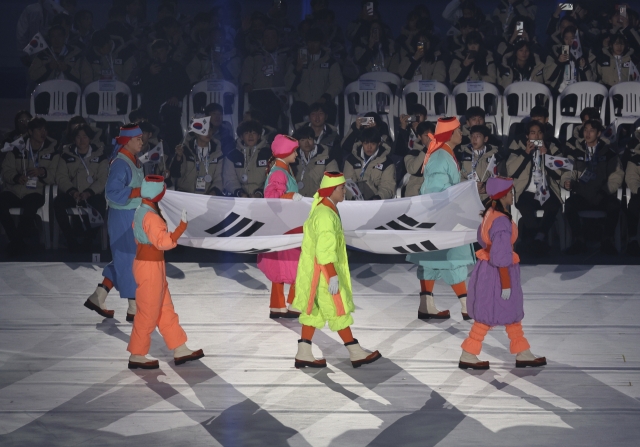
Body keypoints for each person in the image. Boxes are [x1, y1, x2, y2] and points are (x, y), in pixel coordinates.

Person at [291, 171, 381, 368]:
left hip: (318, 272)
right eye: (341, 188)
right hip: (323, 273)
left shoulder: (325, 209)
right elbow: (324, 250)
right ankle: (354, 351)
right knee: (338, 310)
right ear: (332, 190)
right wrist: (332, 275)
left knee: (314, 311)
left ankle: (303, 352)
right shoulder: (325, 214)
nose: (345, 191)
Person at [460, 176, 546, 370]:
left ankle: (523, 352)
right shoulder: (501, 222)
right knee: (488, 315)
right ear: (504, 195)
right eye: (510, 192)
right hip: (497, 275)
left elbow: (484, 242)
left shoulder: (489, 214)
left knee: (510, 315)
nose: (512, 195)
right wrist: (506, 283)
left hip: (489, 271)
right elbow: (500, 256)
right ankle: (468, 353)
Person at [127, 175, 204, 369]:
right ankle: (137, 353)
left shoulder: (143, 210)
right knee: (148, 311)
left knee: (164, 308)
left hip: (151, 265)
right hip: (150, 267)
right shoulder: (151, 216)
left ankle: (180, 347)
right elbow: (164, 242)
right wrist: (181, 228)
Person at [406, 117, 475, 320]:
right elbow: (436, 189)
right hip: (442, 215)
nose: (461, 133)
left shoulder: (443, 154)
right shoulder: (440, 156)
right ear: (449, 133)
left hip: (439, 213)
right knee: (452, 259)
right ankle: (466, 306)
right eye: (458, 130)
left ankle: (426, 306)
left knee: (430, 260)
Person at [84, 124, 143, 321]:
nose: (142, 142)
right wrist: (138, 192)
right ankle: (134, 307)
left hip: (130, 215)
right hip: (122, 216)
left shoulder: (131, 161)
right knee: (128, 259)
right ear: (128, 141)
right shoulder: (121, 164)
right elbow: (112, 192)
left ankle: (98, 297)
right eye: (138, 139)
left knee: (125, 258)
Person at [257, 135, 304, 318]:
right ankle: (293, 304)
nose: (297, 154)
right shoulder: (279, 172)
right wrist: (289, 197)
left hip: (285, 224)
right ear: (285, 152)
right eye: (294, 150)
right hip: (286, 226)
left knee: (284, 265)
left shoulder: (282, 169)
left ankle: (279, 305)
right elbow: (271, 197)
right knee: (297, 264)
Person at [562, 120, 624, 255]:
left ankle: (607, 241)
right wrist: (568, 182)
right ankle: (579, 241)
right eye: (585, 130)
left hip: (602, 195)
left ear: (599, 133)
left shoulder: (609, 153)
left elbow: (616, 176)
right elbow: (568, 172)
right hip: (583, 194)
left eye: (591, 130)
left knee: (614, 205)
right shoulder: (576, 152)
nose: (587, 133)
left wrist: (603, 192)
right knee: (569, 205)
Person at [0, 117, 58, 256]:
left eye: (45, 129)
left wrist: (42, 172)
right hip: (14, 189)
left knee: (30, 208)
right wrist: (16, 177)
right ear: (30, 131)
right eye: (39, 129)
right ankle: (16, 240)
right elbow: (6, 169)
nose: (43, 132)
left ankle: (15, 243)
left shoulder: (52, 151)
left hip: (35, 191)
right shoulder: (16, 148)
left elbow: (55, 175)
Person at [506, 121, 563, 255]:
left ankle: (537, 238)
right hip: (527, 190)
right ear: (527, 136)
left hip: (546, 189)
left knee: (554, 205)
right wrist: (526, 153)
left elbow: (560, 172)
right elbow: (510, 171)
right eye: (533, 133)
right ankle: (537, 241)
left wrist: (547, 156)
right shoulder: (517, 145)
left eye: (539, 133)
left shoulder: (552, 146)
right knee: (524, 205)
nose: (536, 136)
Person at [54, 123, 108, 252]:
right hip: (73, 193)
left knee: (101, 204)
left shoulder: (100, 155)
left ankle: (88, 240)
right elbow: (61, 177)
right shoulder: (66, 155)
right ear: (74, 139)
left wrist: (89, 192)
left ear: (90, 138)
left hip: (91, 194)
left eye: (85, 136)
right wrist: (72, 191)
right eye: (78, 137)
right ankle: (70, 239)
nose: (82, 140)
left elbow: (103, 179)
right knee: (58, 203)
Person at [138, 39, 191, 152]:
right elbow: (141, 87)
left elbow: (185, 85)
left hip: (170, 101)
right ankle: (150, 146)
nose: (158, 54)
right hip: (152, 102)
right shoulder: (148, 68)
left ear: (166, 51)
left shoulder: (176, 67)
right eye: (156, 52)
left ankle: (173, 148)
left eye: (161, 51)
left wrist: (176, 96)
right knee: (146, 114)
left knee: (172, 115)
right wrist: (149, 74)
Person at [286, 28, 343, 125]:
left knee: (331, 108)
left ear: (321, 43)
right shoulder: (296, 62)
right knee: (295, 108)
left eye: (315, 42)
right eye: (309, 42)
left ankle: (327, 137)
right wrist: (297, 69)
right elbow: (288, 85)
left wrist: (325, 97)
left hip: (323, 101)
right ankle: (301, 136)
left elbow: (337, 83)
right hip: (303, 102)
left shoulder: (330, 62)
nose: (312, 45)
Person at [241, 26, 290, 129]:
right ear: (262, 40)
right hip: (259, 92)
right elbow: (247, 72)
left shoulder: (284, 55)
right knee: (266, 103)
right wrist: (247, 84)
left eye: (273, 37)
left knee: (276, 103)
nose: (270, 40)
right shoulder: (254, 56)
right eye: (267, 37)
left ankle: (272, 130)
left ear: (278, 39)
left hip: (280, 93)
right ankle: (267, 130)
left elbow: (290, 73)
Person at [343, 127, 396, 200]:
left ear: (379, 143)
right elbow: (347, 182)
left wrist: (377, 197)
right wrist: (353, 197)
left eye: (373, 144)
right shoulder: (351, 159)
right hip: (355, 201)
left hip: (376, 202)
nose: (369, 147)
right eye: (366, 143)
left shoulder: (387, 162)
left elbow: (388, 186)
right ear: (361, 143)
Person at [222, 120, 271, 197]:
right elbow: (229, 179)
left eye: (254, 133)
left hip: (263, 198)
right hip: (239, 199)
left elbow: (272, 179)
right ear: (241, 136)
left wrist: (260, 193)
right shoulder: (232, 155)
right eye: (247, 133)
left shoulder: (268, 154)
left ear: (259, 136)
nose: (250, 136)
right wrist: (240, 193)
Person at [170, 126, 224, 196]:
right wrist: (178, 157)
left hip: (207, 196)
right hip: (184, 194)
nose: (208, 133)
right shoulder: (184, 149)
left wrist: (214, 191)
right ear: (196, 133)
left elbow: (219, 178)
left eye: (210, 130)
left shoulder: (218, 153)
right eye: (204, 130)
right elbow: (175, 174)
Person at [543, 26, 594, 95]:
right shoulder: (555, 53)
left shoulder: (586, 54)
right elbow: (547, 78)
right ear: (563, 39)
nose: (569, 41)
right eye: (566, 38)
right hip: (558, 92)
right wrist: (558, 62)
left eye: (572, 38)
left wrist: (584, 67)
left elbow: (591, 82)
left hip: (579, 93)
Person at [456, 125, 500, 205]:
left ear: (485, 139)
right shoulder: (462, 154)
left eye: (478, 136)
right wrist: (471, 186)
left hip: (488, 197)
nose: (474, 139)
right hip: (467, 196)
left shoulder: (495, 155)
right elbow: (457, 177)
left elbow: (501, 177)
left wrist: (487, 187)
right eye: (472, 136)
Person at [291, 126, 339, 197]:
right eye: (303, 140)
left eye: (309, 139)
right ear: (298, 142)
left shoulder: (327, 155)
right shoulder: (293, 158)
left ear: (314, 139)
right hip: (299, 201)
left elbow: (334, 180)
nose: (306, 143)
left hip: (320, 201)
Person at [403, 121, 434, 197]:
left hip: (434, 192)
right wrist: (426, 150)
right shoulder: (412, 153)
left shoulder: (440, 151)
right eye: (426, 135)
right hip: (415, 194)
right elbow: (412, 169)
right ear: (419, 137)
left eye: (432, 135)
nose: (430, 138)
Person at [626, 124, 640, 255]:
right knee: (634, 204)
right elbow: (631, 177)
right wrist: (637, 189)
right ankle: (633, 239)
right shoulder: (636, 157)